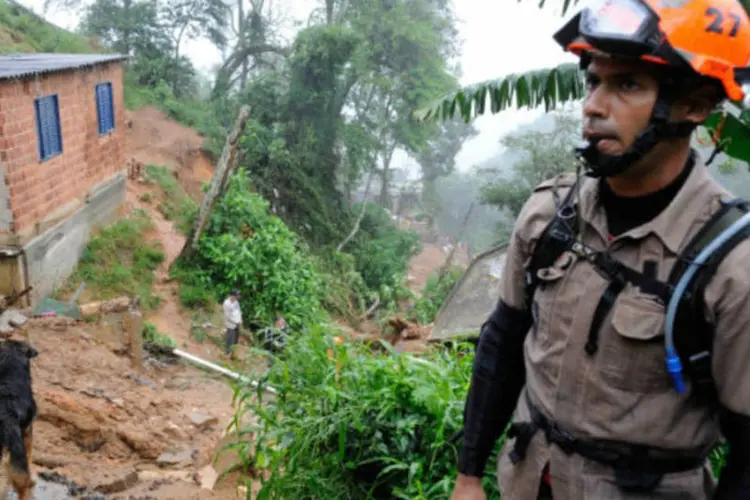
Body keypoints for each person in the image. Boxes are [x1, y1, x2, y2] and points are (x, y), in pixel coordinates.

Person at [450, 0, 750, 498]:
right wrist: (468, 476)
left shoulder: (731, 267)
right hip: (529, 480)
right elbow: (501, 344)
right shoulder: (550, 216)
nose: (593, 105)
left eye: (627, 84)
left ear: (695, 104)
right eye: (594, 81)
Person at [222, 290, 242, 356]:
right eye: (236, 296)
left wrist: (240, 321)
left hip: (237, 324)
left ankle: (232, 354)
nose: (237, 298)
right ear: (232, 296)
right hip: (230, 324)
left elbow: (239, 312)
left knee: (235, 340)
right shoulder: (227, 303)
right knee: (230, 339)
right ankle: (226, 354)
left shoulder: (236, 302)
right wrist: (236, 322)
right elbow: (228, 316)